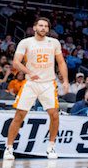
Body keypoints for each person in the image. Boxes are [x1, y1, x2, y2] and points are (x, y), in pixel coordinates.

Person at [5, 17, 68, 160]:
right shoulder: (25, 42)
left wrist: (66, 81)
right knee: (19, 115)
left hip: (48, 83)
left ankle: (51, 147)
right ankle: (9, 148)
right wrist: (29, 72)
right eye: (40, 25)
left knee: (54, 115)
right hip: (30, 83)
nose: (43, 28)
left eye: (46, 26)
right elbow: (16, 62)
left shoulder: (54, 43)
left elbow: (61, 63)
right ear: (34, 28)